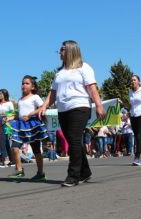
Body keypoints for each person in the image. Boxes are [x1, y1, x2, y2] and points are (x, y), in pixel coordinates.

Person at [39, 40, 105, 187]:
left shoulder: (84, 67)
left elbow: (92, 88)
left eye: (62, 49)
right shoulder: (59, 73)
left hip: (80, 107)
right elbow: (53, 93)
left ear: (70, 50)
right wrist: (44, 106)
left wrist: (99, 106)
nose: (60, 52)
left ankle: (73, 175)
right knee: (73, 141)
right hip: (63, 109)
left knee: (75, 139)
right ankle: (85, 171)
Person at [8, 75, 48, 180]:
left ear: (32, 87)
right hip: (21, 125)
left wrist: (31, 114)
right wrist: (9, 118)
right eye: (22, 83)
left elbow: (42, 108)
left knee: (36, 150)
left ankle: (40, 173)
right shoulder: (20, 99)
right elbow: (19, 115)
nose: (24, 85)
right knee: (14, 147)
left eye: (27, 83)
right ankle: (20, 170)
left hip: (32, 126)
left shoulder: (35, 97)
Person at [0, 89, 15, 168]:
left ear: (5, 95)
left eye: (1, 94)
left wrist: (4, 113)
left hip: (7, 124)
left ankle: (4, 160)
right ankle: (11, 160)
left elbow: (13, 113)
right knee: (3, 142)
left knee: (4, 142)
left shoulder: (9, 103)